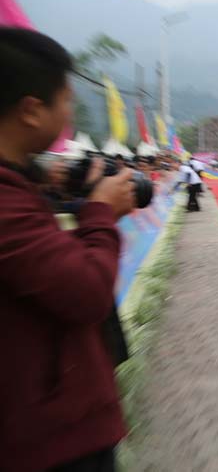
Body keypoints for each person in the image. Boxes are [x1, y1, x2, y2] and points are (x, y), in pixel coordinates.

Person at [0, 28, 134, 471]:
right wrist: (98, 213)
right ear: (32, 111)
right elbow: (87, 293)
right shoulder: (7, 202)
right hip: (52, 440)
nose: (70, 112)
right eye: (67, 100)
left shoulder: (20, 187)